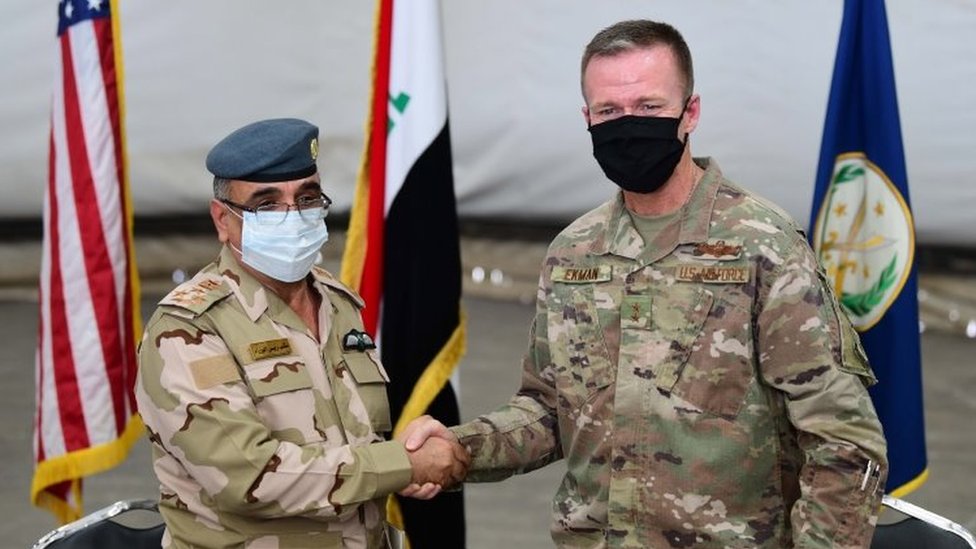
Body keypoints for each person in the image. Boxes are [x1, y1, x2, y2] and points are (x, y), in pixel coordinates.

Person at [404, 19, 889, 548]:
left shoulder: (762, 246)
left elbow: (843, 438)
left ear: (691, 113)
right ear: (587, 118)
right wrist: (460, 448)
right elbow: (550, 409)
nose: (628, 125)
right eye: (609, 111)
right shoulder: (574, 252)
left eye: (649, 107)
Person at [135, 118, 468, 548]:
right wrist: (400, 464)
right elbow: (250, 476)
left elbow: (355, 443)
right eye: (267, 204)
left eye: (307, 198)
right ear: (223, 219)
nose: (293, 216)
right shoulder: (188, 329)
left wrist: (410, 459)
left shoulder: (338, 303)